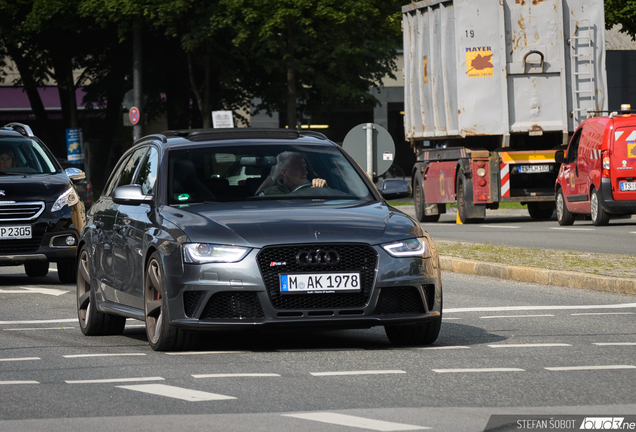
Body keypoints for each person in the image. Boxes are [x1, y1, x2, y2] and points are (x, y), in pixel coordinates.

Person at [261, 151, 326, 195]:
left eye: (305, 168)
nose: (305, 172)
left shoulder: (314, 189)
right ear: (284, 172)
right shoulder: (268, 194)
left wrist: (323, 187)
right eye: (299, 168)